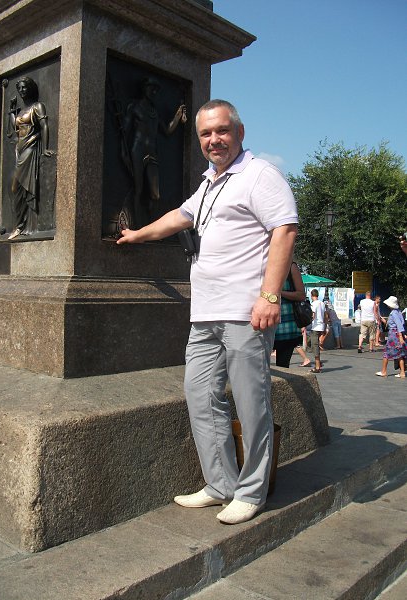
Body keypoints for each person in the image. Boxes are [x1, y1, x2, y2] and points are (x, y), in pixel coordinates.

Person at [117, 99, 298, 524]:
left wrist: (270, 297)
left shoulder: (259, 175)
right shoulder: (209, 183)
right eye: (205, 133)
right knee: (200, 394)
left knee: (252, 403)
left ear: (239, 132)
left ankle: (251, 492)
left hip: (245, 312)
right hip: (204, 314)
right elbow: (179, 218)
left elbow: (285, 230)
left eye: (222, 130)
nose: (214, 140)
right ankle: (221, 485)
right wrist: (137, 235)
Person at [122, 78, 187, 228]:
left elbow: (167, 131)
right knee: (138, 189)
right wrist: (123, 151)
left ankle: (151, 227)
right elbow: (124, 131)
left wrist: (178, 115)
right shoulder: (134, 107)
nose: (154, 91)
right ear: (144, 88)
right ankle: (135, 225)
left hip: (152, 152)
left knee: (155, 194)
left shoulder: (154, 112)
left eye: (156, 89)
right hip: (137, 150)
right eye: (151, 87)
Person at [7, 77, 55, 240]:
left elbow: (44, 126)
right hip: (19, 150)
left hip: (31, 149)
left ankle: (20, 226)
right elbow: (15, 127)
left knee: (17, 187)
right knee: (15, 188)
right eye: (19, 88)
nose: (21, 91)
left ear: (30, 88)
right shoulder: (21, 111)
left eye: (24, 87)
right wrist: (11, 111)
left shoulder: (37, 106)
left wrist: (46, 148)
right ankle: (21, 225)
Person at [273, 262, 305, 367]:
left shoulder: (291, 266)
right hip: (265, 324)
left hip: (287, 328)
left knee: (283, 366)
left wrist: (278, 293)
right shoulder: (259, 263)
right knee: (259, 368)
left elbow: (301, 295)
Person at [375, 296, 406, 378]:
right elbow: (402, 323)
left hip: (394, 335)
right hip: (398, 334)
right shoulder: (398, 312)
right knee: (400, 353)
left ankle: (384, 371)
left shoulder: (393, 313)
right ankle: (402, 372)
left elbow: (399, 325)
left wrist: (400, 336)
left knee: (386, 353)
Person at [310, 289, 325, 373]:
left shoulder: (314, 304)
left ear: (311, 295)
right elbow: (325, 315)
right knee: (314, 345)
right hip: (321, 326)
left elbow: (313, 315)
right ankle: (318, 362)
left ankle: (317, 366)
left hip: (315, 327)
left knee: (314, 346)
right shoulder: (322, 303)